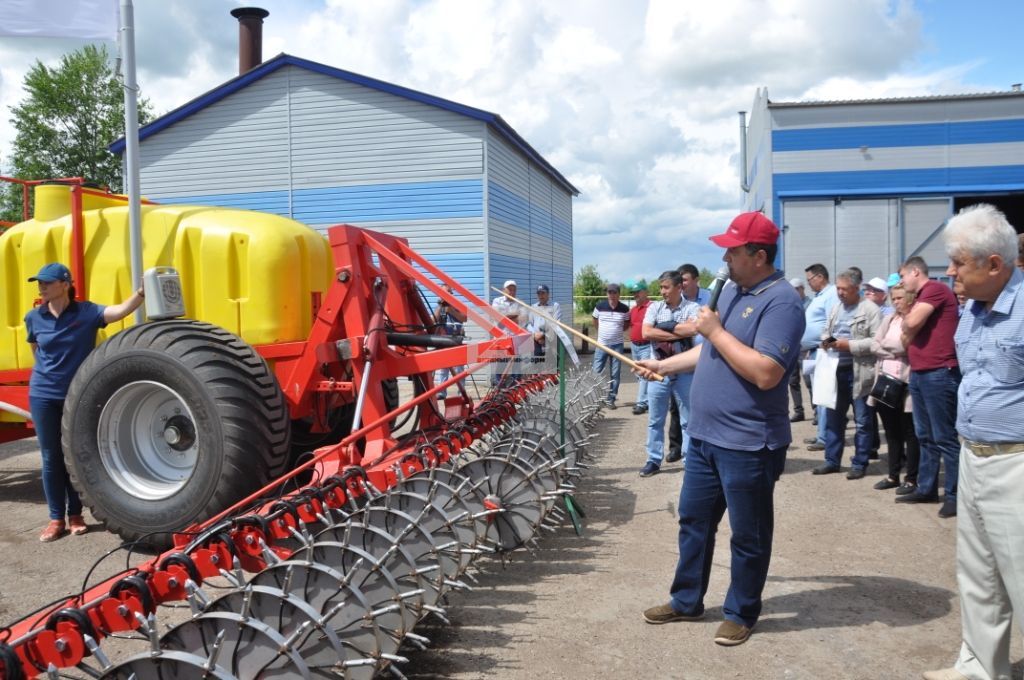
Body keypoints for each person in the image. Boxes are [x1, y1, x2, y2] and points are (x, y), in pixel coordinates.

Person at [638, 212, 805, 647]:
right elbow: (712, 356)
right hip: (706, 438)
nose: (725, 257)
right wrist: (663, 365)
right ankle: (686, 600)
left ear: (759, 255)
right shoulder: (732, 290)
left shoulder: (782, 302)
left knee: (748, 535)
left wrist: (712, 330)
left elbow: (766, 372)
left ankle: (741, 611)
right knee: (693, 520)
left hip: (749, 443)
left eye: (733, 249)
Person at [922, 204, 1024, 680]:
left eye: (959, 262)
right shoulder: (971, 311)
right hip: (973, 455)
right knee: (979, 575)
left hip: (1017, 463)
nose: (950, 272)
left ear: (995, 265)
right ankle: (982, 667)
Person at [25, 262, 145, 542]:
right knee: (50, 457)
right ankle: (56, 519)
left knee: (75, 457)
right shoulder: (34, 316)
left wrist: (140, 293)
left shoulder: (87, 312)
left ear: (65, 284)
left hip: (77, 395)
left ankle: (76, 514)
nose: (41, 286)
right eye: (39, 282)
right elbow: (36, 349)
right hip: (43, 393)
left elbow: (118, 312)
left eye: (47, 282)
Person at [895, 256, 961, 519]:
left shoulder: (933, 289)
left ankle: (955, 496)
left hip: (938, 372)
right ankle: (927, 488)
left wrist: (909, 323)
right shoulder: (924, 297)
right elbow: (903, 339)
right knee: (925, 436)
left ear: (914, 272)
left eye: (902, 276)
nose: (901, 282)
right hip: (922, 373)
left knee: (944, 437)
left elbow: (908, 326)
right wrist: (909, 326)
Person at [811, 269, 882, 479]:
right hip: (835, 371)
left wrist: (848, 345)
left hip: (860, 372)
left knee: (862, 421)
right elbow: (826, 331)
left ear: (856, 288)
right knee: (834, 418)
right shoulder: (836, 308)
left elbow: (876, 342)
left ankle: (859, 463)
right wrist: (827, 341)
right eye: (838, 288)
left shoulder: (869, 310)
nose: (840, 293)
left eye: (844, 289)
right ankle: (832, 461)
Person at [638, 270, 699, 476]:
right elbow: (646, 332)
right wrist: (676, 330)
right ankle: (653, 460)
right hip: (658, 370)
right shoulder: (655, 307)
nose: (662, 291)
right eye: (661, 287)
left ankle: (689, 459)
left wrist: (664, 327)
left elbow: (693, 330)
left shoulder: (693, 307)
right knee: (655, 419)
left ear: (679, 287)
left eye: (666, 287)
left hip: (685, 371)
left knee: (688, 419)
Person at [868, 282, 919, 494]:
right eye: (894, 298)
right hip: (885, 383)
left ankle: (912, 478)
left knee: (910, 433)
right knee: (891, 432)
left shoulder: (914, 320)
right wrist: (893, 350)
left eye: (900, 298)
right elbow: (874, 345)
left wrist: (887, 348)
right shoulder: (889, 319)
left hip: (905, 384)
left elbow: (904, 346)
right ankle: (893, 475)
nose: (896, 302)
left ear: (910, 299)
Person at [667, 264, 711, 457]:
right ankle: (676, 448)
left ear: (696, 280)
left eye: (684, 280)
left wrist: (678, 327)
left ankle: (704, 445)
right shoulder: (678, 301)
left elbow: (700, 327)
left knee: (704, 402)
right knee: (677, 406)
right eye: (680, 281)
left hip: (707, 358)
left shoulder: (710, 298)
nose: (681, 284)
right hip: (682, 359)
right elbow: (666, 328)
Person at [802, 263, 839, 450]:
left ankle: (825, 438)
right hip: (815, 351)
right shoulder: (819, 296)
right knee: (818, 395)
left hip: (824, 351)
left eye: (810, 280)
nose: (808, 284)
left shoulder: (831, 294)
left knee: (824, 396)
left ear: (820, 277)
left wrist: (823, 345)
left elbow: (833, 323)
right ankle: (821, 434)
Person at [592, 283, 630, 409]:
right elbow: (595, 321)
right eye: (609, 292)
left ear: (618, 294)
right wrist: (603, 334)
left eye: (614, 293)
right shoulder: (599, 306)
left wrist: (614, 333)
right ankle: (595, 399)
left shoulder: (624, 309)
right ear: (606, 294)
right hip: (601, 345)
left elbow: (626, 325)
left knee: (615, 373)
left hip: (617, 345)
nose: (612, 295)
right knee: (596, 372)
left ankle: (611, 399)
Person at [433, 284, 467, 398]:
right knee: (443, 368)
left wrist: (451, 310)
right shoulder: (439, 306)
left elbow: (465, 318)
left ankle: (461, 393)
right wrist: (440, 306)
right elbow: (433, 320)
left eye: (449, 293)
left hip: (457, 339)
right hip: (444, 340)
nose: (447, 296)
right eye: (444, 293)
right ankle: (441, 392)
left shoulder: (457, 305)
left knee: (459, 369)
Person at [491, 279, 527, 385]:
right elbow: (497, 317)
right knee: (500, 365)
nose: (512, 292)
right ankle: (499, 387)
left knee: (516, 366)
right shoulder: (497, 301)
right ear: (503, 290)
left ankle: (515, 387)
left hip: (515, 339)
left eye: (513, 290)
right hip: (501, 339)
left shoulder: (519, 303)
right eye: (509, 289)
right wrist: (514, 315)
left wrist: (505, 316)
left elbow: (522, 321)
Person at [627, 279, 652, 415]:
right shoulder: (634, 309)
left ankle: (641, 403)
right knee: (639, 374)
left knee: (643, 375)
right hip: (634, 345)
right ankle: (647, 400)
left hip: (646, 345)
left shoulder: (651, 307)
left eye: (638, 292)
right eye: (634, 293)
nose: (635, 295)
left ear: (645, 292)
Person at [787, 277, 808, 422]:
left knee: (810, 381)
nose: (794, 292)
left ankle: (817, 412)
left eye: (796, 289)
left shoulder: (810, 304)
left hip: (807, 349)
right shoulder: (790, 305)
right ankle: (798, 411)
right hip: (793, 348)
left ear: (802, 289)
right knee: (793, 381)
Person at [527, 284, 561, 358]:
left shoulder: (555, 306)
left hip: (550, 340)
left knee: (552, 365)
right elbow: (530, 324)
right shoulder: (533, 307)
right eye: (539, 293)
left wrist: (542, 335)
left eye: (543, 293)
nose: (541, 295)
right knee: (536, 365)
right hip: (536, 341)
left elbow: (555, 324)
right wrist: (534, 335)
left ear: (548, 294)